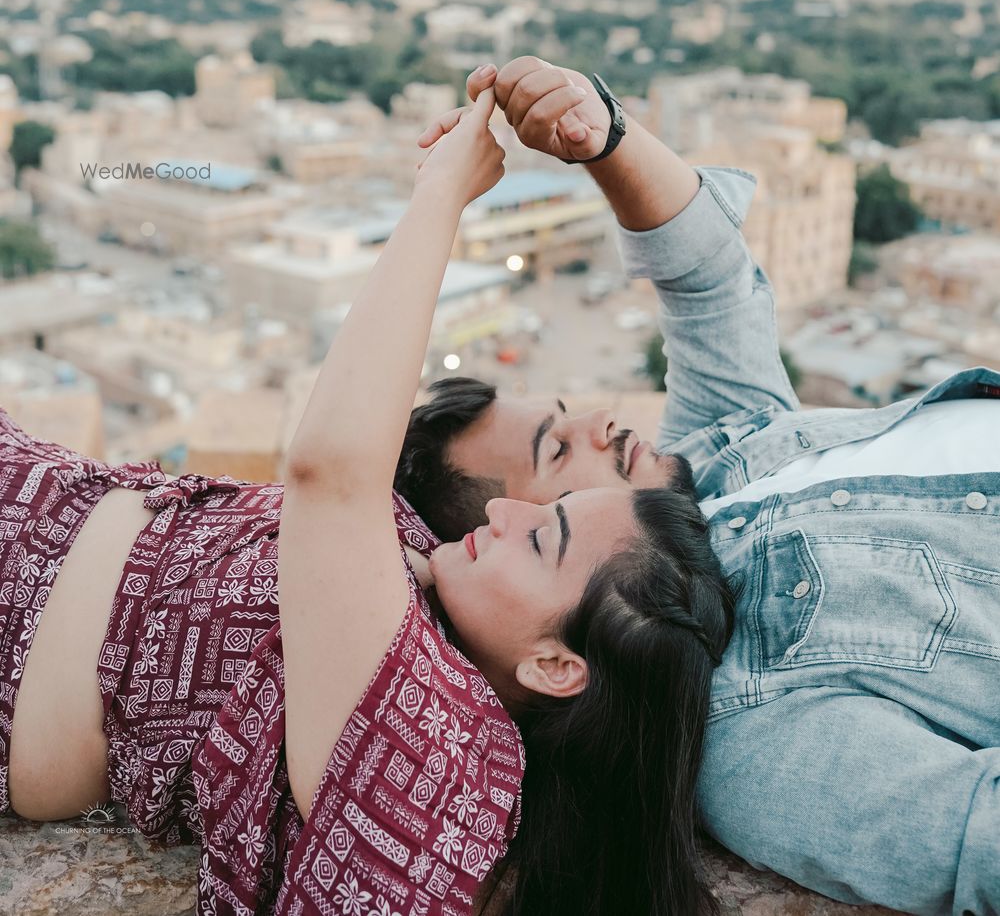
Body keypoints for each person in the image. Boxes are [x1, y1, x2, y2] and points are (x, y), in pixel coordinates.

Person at [2, 82, 734, 916]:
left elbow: (332, 471)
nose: (507, 513)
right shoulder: (430, 599)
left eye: (544, 532)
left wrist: (443, 194)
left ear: (558, 665)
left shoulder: (458, 775)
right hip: (38, 496)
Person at [398, 55, 1000, 916]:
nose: (603, 424)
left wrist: (600, 135)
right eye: (559, 457)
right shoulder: (755, 740)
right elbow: (978, 842)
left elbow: (707, 276)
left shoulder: (708, 462)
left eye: (566, 412)